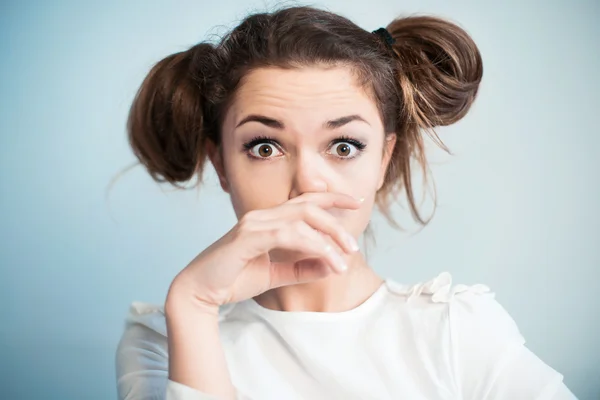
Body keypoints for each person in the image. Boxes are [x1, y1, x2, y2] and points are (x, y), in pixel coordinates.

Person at [115, 6, 576, 400]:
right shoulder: (165, 339)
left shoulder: (458, 331)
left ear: (383, 158)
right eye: (264, 147)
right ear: (221, 165)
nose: (309, 185)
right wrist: (193, 303)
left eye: (344, 146)